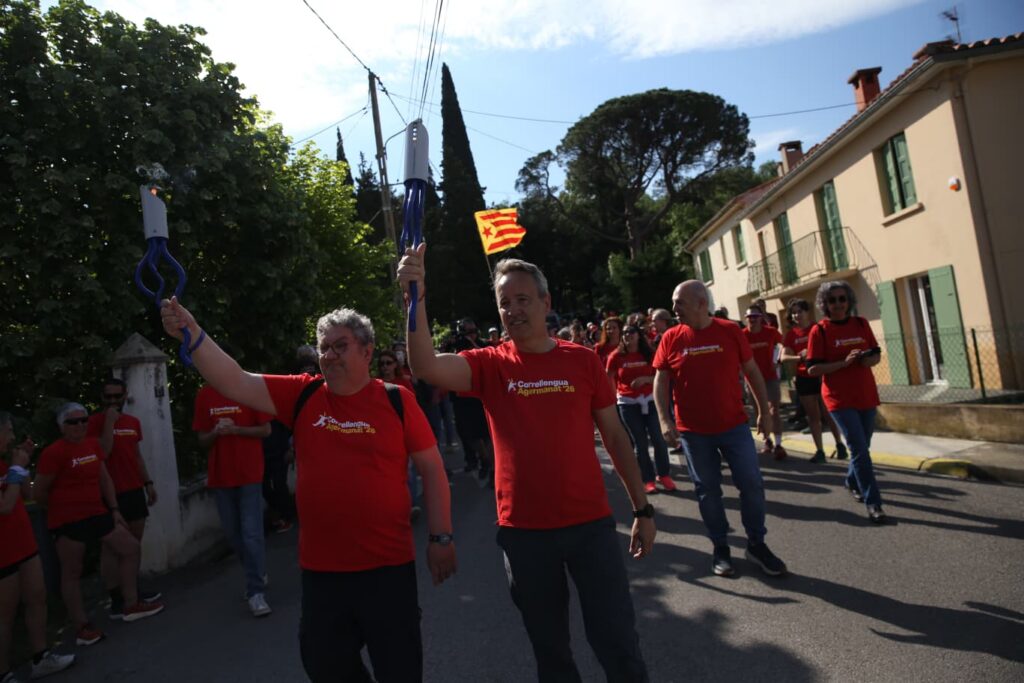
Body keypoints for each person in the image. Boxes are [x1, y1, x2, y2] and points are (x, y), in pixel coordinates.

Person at [160, 300, 454, 683]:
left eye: (340, 346)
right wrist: (192, 332)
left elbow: (432, 469)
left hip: (387, 569)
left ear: (367, 351)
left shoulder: (396, 400)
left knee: (399, 669)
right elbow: (234, 380)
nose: (329, 355)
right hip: (323, 573)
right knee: (324, 665)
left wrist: (440, 536)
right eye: (324, 347)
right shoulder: (302, 395)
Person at [398, 244, 654, 683]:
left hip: (590, 526)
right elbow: (424, 364)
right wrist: (414, 296)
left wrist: (642, 509)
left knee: (617, 643)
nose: (513, 310)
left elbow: (615, 436)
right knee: (551, 652)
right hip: (525, 535)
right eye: (504, 303)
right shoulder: (491, 364)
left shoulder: (583, 360)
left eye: (522, 299)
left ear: (545, 303)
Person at [653, 281, 787, 579]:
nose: (675, 309)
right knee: (708, 492)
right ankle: (720, 547)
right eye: (674, 303)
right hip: (693, 432)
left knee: (751, 485)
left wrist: (764, 412)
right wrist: (664, 420)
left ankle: (756, 543)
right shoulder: (671, 338)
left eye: (680, 303)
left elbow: (752, 371)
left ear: (701, 303)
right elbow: (661, 382)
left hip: (734, 426)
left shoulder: (730, 331)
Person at [34, 403, 164, 646]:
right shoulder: (53, 453)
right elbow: (40, 491)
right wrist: (60, 508)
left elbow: (104, 478)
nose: (80, 425)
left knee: (130, 548)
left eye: (84, 420)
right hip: (69, 521)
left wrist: (114, 510)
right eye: (73, 422)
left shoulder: (93, 444)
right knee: (72, 571)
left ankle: (130, 604)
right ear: (62, 426)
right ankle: (82, 625)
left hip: (98, 512)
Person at [1, 412, 76, 682]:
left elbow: (26, 494)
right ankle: (3, 672)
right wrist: (17, 469)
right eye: (8, 431)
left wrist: (22, 466)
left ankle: (40, 657)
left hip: (24, 543)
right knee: (5, 615)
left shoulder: (5, 463)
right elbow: (5, 506)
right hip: (3, 552)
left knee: (36, 597)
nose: (12, 437)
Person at [806, 281, 886, 524]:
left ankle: (852, 480)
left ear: (849, 301)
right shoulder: (819, 331)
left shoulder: (861, 324)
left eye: (842, 299)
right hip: (839, 399)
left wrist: (866, 360)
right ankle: (874, 504)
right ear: (824, 305)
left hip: (866, 395)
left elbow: (876, 354)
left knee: (863, 448)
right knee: (860, 450)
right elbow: (812, 369)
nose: (838, 304)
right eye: (832, 300)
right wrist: (843, 363)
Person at [192, 383, 273, 617]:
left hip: (249, 474)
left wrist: (236, 429)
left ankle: (256, 592)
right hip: (221, 477)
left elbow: (265, 430)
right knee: (234, 535)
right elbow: (202, 440)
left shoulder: (247, 389)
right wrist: (216, 433)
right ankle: (255, 570)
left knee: (251, 533)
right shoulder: (205, 395)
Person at [85, 378, 161, 616]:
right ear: (101, 398)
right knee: (111, 547)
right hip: (108, 493)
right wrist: (108, 422)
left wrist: (148, 483)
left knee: (133, 545)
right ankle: (116, 597)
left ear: (124, 395)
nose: (113, 402)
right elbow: (103, 452)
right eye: (108, 397)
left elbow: (136, 455)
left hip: (133, 489)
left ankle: (132, 590)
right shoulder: (92, 423)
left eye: (117, 396)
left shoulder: (132, 422)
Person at [607, 325, 675, 495]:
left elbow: (662, 376)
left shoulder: (649, 353)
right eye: (624, 333)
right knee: (640, 443)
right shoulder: (616, 356)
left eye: (631, 332)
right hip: (628, 403)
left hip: (651, 401)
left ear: (639, 335)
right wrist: (611, 400)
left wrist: (646, 379)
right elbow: (608, 377)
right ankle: (648, 479)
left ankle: (664, 474)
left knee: (658, 439)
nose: (627, 335)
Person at [780, 298, 848, 464]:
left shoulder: (817, 328)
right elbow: (783, 357)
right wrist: (799, 356)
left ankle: (840, 445)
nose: (797, 315)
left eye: (800, 311)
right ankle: (820, 451)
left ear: (807, 312)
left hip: (821, 376)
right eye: (794, 313)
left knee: (828, 413)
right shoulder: (791, 335)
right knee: (813, 417)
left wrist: (811, 354)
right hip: (803, 378)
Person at [450, 319, 494, 484]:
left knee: (486, 435)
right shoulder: (456, 346)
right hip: (462, 399)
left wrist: (473, 343)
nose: (471, 334)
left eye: (473, 331)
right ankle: (484, 460)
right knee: (471, 437)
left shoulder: (483, 345)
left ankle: (492, 468)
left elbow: (488, 361)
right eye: (467, 332)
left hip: (480, 397)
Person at [742, 306, 787, 461]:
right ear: (746, 318)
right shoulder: (742, 335)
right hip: (752, 380)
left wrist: (778, 360)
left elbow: (783, 345)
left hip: (770, 377)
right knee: (760, 413)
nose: (752, 319)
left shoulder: (771, 332)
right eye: (749, 317)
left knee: (774, 411)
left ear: (761, 318)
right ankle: (768, 441)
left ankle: (779, 444)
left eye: (755, 316)